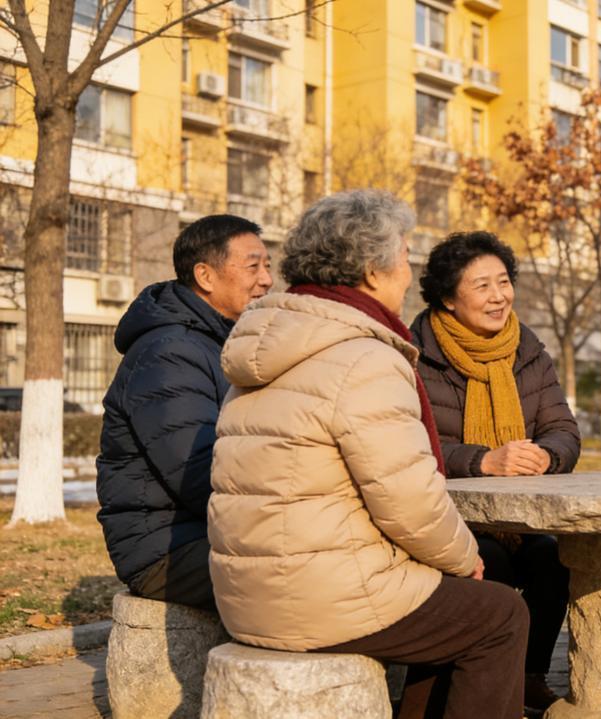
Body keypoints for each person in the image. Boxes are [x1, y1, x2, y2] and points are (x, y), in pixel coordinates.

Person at [209, 190, 528, 719]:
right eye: (404, 257)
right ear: (372, 271)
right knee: (500, 613)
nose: (408, 273)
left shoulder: (270, 342)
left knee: (455, 601)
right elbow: (408, 500)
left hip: (250, 594)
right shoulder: (363, 356)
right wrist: (462, 557)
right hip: (318, 598)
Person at [409, 231, 580, 715]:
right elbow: (408, 444)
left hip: (518, 518)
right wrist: (482, 460)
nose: (499, 296)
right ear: (448, 298)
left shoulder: (527, 349)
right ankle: (472, 687)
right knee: (491, 564)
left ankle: (527, 677)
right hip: (442, 518)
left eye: (504, 282)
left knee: (556, 561)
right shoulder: (414, 354)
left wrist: (546, 455)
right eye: (481, 286)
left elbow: (564, 430)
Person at [97, 215, 272, 610]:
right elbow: (198, 473)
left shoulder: (221, 342)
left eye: (267, 265)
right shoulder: (169, 352)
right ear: (205, 276)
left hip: (213, 528)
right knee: (313, 576)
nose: (266, 280)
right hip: (166, 548)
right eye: (253, 266)